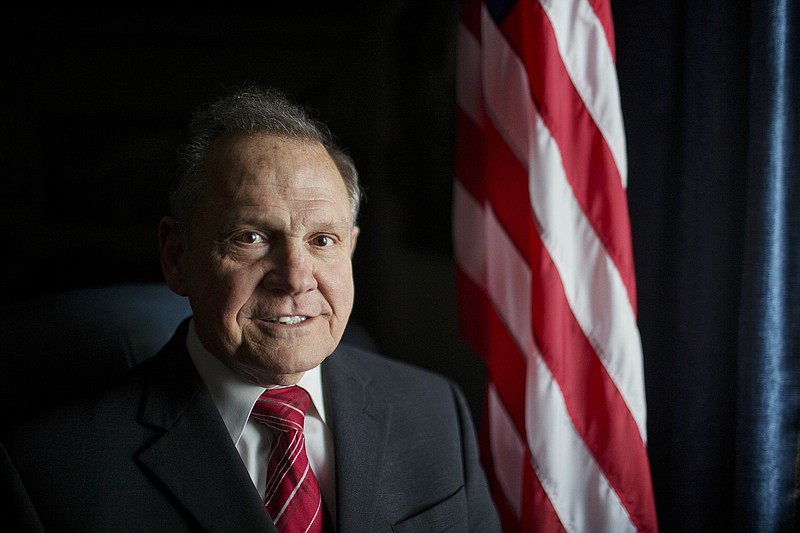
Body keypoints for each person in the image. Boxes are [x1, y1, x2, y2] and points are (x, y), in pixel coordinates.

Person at [1, 86, 501, 532]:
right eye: (251, 238)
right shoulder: (48, 470)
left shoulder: (436, 413)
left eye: (322, 240)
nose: (297, 277)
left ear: (349, 249)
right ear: (178, 257)